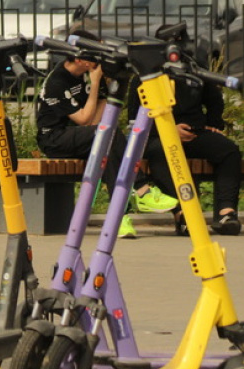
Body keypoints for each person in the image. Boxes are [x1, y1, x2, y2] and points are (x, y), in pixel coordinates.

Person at [36, 52, 178, 238]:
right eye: (94, 57)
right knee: (108, 134)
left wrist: (105, 85)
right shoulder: (58, 81)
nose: (99, 61)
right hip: (54, 139)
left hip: (83, 138)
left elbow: (95, 123)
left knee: (108, 146)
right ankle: (142, 190)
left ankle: (119, 219)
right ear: (80, 60)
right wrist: (95, 84)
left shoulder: (92, 73)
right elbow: (85, 120)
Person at [127, 64, 242, 237]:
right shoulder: (144, 76)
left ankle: (226, 213)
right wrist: (168, 130)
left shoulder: (195, 72)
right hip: (158, 136)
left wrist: (213, 124)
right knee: (160, 152)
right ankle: (183, 214)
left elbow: (214, 100)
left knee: (229, 151)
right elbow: (134, 121)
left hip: (194, 134)